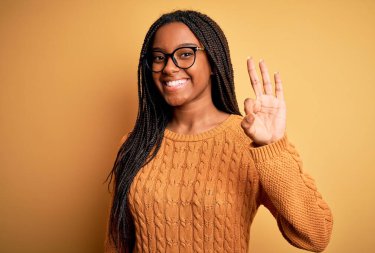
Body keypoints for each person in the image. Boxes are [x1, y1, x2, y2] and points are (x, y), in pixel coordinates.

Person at [105, 10, 333, 253]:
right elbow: (116, 243)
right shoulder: (135, 144)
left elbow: (316, 235)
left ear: (214, 62)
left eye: (185, 54)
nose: (169, 68)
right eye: (159, 57)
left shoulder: (253, 141)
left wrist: (272, 148)